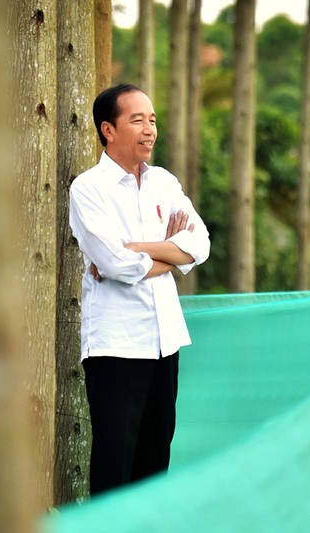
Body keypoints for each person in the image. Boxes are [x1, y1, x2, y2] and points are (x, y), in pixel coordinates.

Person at [68, 83, 210, 496]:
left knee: (155, 463)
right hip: (116, 346)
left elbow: (199, 244)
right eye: (137, 120)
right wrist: (171, 255)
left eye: (152, 120)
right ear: (108, 130)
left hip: (165, 342)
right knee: (115, 467)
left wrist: (139, 249)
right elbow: (112, 262)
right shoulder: (88, 188)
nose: (150, 129)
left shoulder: (164, 182)